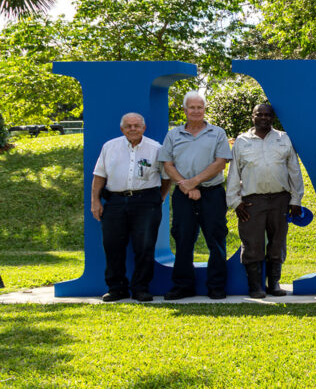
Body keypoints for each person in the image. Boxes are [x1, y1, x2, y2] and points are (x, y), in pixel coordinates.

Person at [159, 91, 234, 300]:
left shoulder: (217, 133)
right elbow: (167, 164)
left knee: (216, 238)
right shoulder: (173, 135)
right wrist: (186, 186)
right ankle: (183, 286)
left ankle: (216, 286)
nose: (196, 111)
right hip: (183, 194)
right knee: (183, 239)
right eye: (191, 107)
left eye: (199, 107)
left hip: (213, 193)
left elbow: (221, 162)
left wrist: (194, 182)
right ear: (184, 110)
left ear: (204, 110)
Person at [226, 103, 304, 298]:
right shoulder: (242, 141)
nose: (263, 117)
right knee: (252, 243)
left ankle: (274, 284)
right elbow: (234, 173)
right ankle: (255, 287)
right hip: (252, 201)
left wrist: (296, 199)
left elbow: (294, 170)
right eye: (258, 114)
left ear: (273, 118)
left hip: (280, 199)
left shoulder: (283, 138)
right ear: (252, 116)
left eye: (267, 115)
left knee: (277, 242)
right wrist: (235, 202)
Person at [90, 112, 168, 302]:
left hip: (146, 201)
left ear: (144, 128)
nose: (133, 129)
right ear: (122, 129)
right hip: (115, 201)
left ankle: (141, 288)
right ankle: (116, 289)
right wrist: (95, 201)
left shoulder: (156, 148)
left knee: (145, 246)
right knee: (112, 245)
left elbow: (166, 178)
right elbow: (99, 176)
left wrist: (159, 198)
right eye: (129, 126)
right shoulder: (110, 147)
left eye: (137, 125)